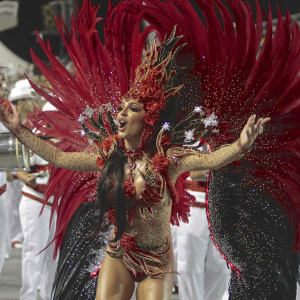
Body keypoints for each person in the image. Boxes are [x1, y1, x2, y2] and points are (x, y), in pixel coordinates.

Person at [0, 0, 299, 299]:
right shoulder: (108, 157)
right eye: (120, 108)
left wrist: (241, 145)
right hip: (118, 255)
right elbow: (58, 156)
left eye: (130, 109)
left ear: (148, 118)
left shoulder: (166, 160)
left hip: (156, 263)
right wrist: (17, 129)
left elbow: (212, 159)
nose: (119, 114)